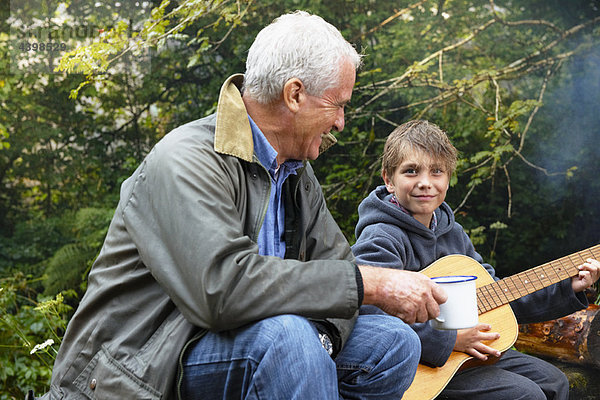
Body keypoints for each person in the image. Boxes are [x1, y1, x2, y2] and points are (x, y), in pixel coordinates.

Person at [41, 12, 448, 400]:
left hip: (254, 344)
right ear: (294, 94)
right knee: (287, 339)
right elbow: (222, 290)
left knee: (392, 344)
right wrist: (371, 284)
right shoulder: (184, 160)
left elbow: (337, 270)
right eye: (338, 104)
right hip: (150, 365)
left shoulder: (297, 175)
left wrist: (320, 338)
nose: (341, 121)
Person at [351, 119, 600, 400]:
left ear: (448, 177)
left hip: (465, 357)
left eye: (436, 172)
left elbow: (497, 296)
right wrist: (450, 340)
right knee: (525, 395)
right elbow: (369, 310)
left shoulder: (453, 233)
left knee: (554, 382)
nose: (425, 183)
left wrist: (569, 287)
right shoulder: (381, 236)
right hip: (420, 365)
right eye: (411, 171)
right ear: (388, 179)